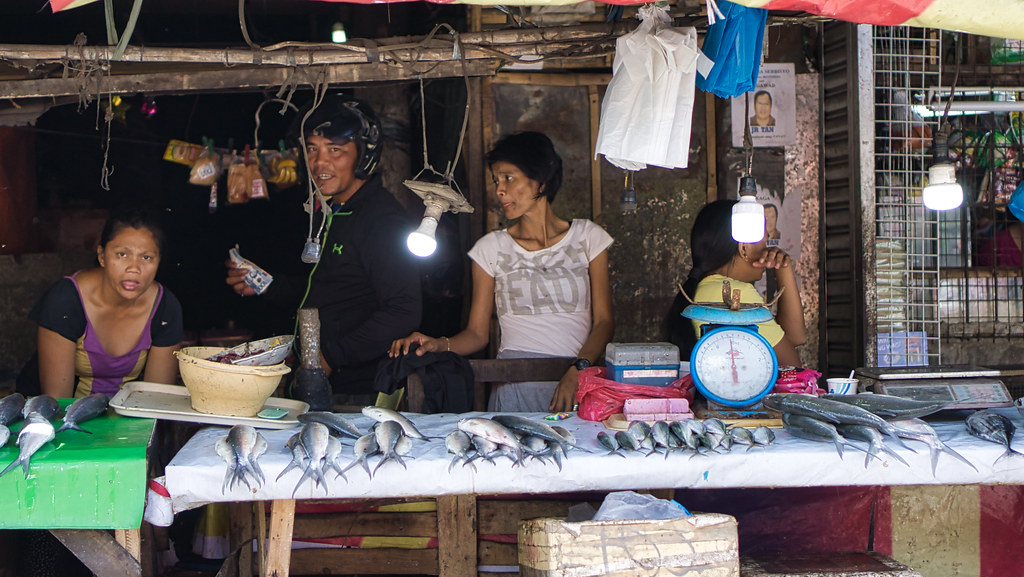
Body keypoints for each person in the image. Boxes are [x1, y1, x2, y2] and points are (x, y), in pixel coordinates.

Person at [389, 131, 615, 412]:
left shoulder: (588, 237)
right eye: (496, 180)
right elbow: (477, 334)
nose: (499, 190)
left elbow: (604, 322)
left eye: (509, 178)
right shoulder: (490, 248)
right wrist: (438, 344)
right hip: (514, 387)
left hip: (575, 384)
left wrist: (578, 369)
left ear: (541, 179)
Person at [225, 94, 422, 398]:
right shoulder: (335, 212)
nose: (319, 163)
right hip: (326, 383)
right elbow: (334, 289)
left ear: (363, 155)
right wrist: (268, 285)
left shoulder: (381, 221)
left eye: (335, 150)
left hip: (362, 392)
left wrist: (330, 357)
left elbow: (403, 309)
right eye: (312, 149)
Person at [20, 207, 183, 398]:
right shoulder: (67, 300)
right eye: (122, 254)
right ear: (102, 256)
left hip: (129, 415)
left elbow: (155, 399)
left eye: (146, 257)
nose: (134, 268)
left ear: (158, 261)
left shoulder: (164, 307)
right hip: (66, 414)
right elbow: (57, 401)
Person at [667, 199, 805, 367]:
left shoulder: (705, 288)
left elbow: (793, 337)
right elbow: (792, 367)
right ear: (744, 248)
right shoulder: (733, 292)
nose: (768, 249)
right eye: (765, 241)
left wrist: (783, 267)